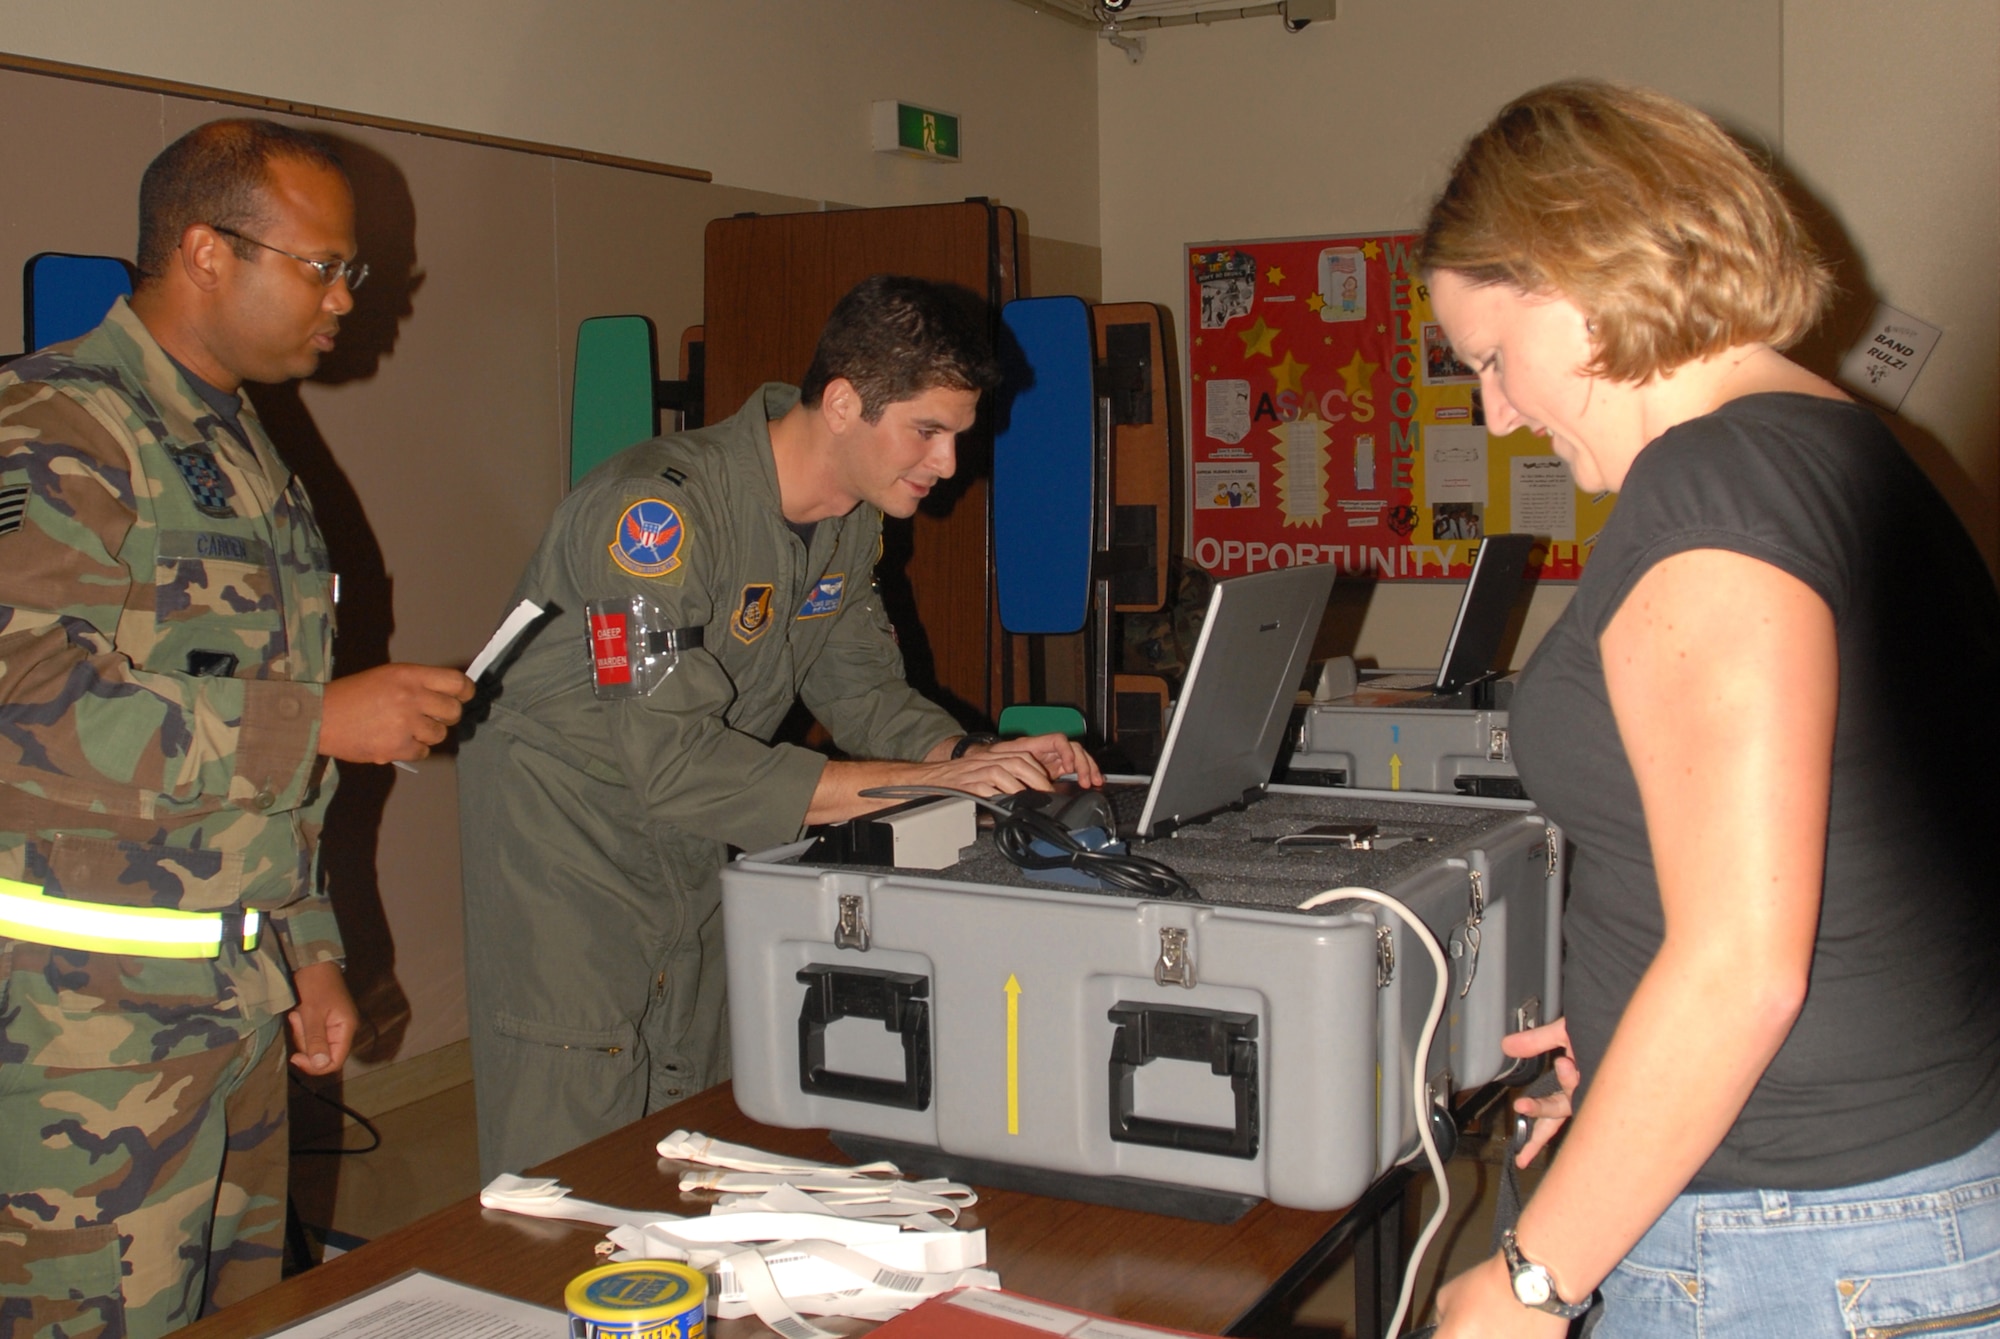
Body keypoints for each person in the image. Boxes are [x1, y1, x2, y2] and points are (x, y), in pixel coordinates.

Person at [1419, 81, 2000, 1338]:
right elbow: (1875, 853)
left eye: (1488, 357)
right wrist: (1638, 1044)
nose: (1495, 411)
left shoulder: (1710, 489)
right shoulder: (1848, 446)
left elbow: (1738, 969)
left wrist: (1531, 1278)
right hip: (1883, 1191)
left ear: (1575, 276)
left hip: (1796, 1235)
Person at [458, 274, 1100, 1179]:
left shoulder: (846, 526)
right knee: (575, 1116)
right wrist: (926, 784)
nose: (950, 463)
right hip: (569, 841)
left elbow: (866, 690)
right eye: (929, 430)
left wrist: (974, 756)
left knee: (697, 1095)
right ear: (844, 403)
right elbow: (675, 762)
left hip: (701, 829)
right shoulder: (655, 518)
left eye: (959, 434)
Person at [0, 120, 474, 1336]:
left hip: (229, 1006)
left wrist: (306, 947)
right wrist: (317, 715)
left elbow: (260, 761)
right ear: (207, 252)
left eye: (350, 271)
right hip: (82, 1036)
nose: (346, 299)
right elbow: (23, 706)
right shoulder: (60, 424)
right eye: (321, 266)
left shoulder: (243, 447)